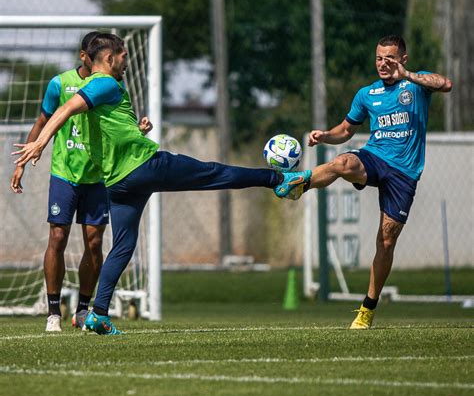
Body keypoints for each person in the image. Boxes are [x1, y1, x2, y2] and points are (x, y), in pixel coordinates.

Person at [12, 33, 309, 335]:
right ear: (110, 59)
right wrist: (39, 144)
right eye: (124, 57)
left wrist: (134, 128)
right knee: (212, 173)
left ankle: (98, 314)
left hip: (118, 182)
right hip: (145, 166)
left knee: (123, 245)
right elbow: (63, 111)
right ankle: (277, 179)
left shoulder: (96, 87)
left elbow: (104, 128)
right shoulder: (105, 83)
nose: (127, 64)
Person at [294, 35, 452, 329]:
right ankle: (299, 183)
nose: (383, 63)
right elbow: (345, 130)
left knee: (386, 240)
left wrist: (407, 75)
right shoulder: (367, 94)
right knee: (343, 162)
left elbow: (445, 84)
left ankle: (367, 309)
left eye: (390, 58)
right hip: (375, 157)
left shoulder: (415, 86)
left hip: (404, 173)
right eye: (379, 58)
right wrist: (325, 135)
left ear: (403, 58)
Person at [9, 32, 110, 332]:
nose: (105, 64)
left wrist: (141, 127)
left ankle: (82, 310)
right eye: (99, 58)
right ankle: (54, 312)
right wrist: (22, 164)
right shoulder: (60, 84)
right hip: (64, 174)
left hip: (97, 176)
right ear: (84, 57)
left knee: (94, 242)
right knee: (57, 238)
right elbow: (42, 124)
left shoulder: (108, 85)